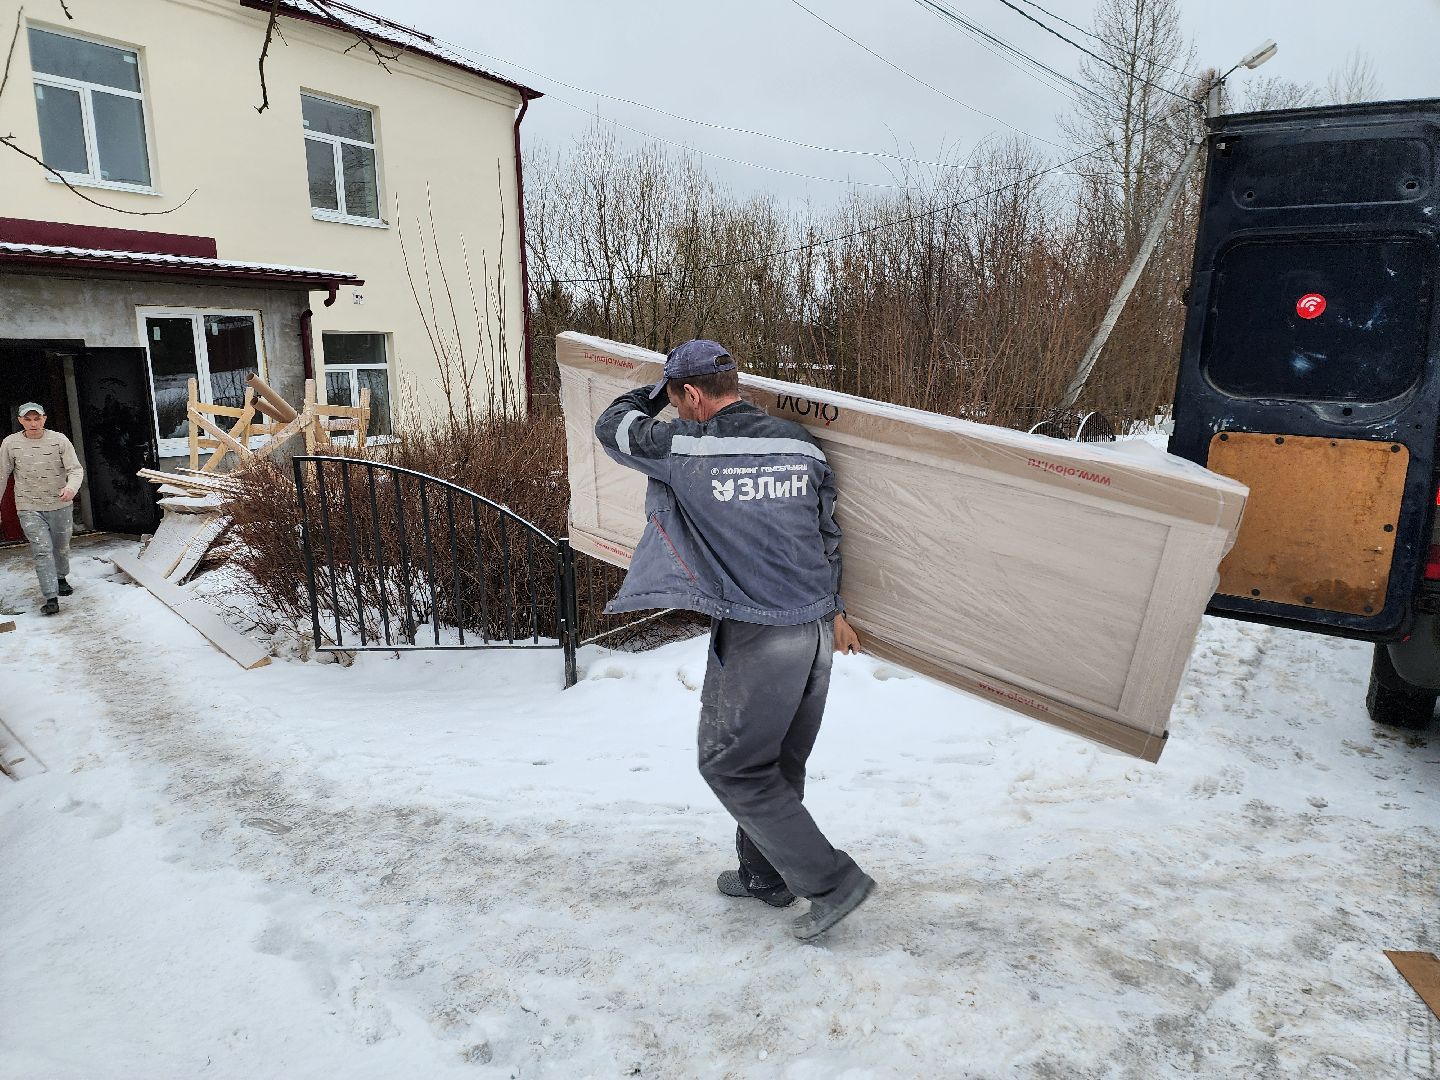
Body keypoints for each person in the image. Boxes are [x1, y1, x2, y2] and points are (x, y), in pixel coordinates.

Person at [595, 339, 874, 941]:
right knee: (777, 764)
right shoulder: (801, 444)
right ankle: (765, 876)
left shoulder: (686, 447)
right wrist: (837, 610)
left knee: (732, 766)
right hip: (813, 632)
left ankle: (832, 883)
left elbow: (612, 425)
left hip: (760, 634)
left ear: (691, 395)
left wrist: (650, 389)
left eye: (678, 398)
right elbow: (828, 534)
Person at [1, 402, 84, 616]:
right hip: (28, 506)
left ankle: (61, 577)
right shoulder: (10, 444)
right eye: (27, 419)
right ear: (20, 421)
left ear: (44, 419)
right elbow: (2, 475)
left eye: (36, 419)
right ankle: (50, 596)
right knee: (41, 550)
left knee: (61, 547)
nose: (33, 423)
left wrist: (71, 488)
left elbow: (75, 470)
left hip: (60, 503)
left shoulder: (59, 440)